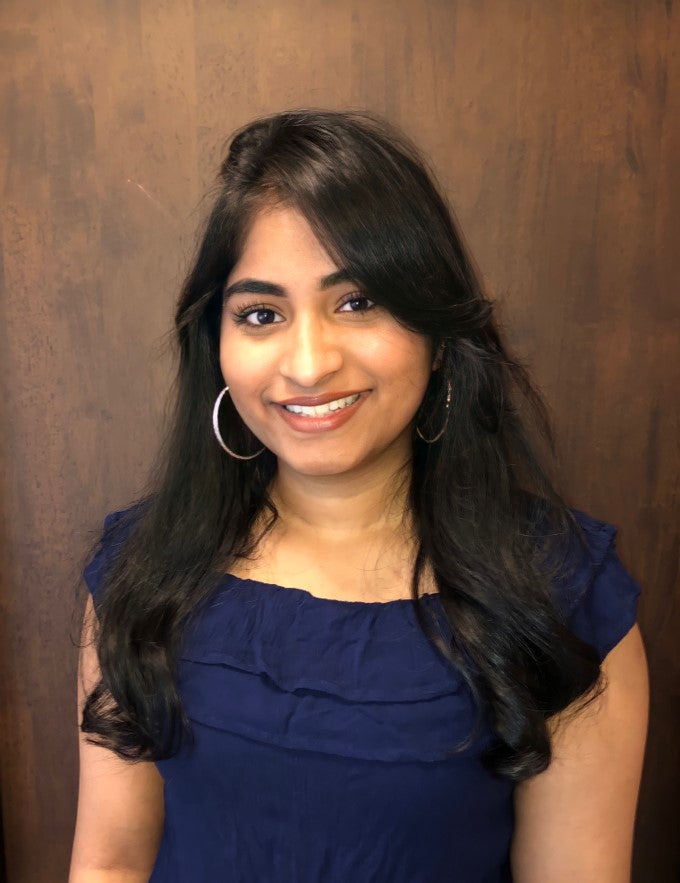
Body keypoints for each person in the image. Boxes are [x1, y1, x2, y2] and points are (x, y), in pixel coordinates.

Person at [69, 109, 648, 883]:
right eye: (262, 313)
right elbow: (109, 862)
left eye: (359, 301)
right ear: (219, 344)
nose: (309, 364)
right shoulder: (139, 574)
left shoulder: (565, 596)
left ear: (439, 333)